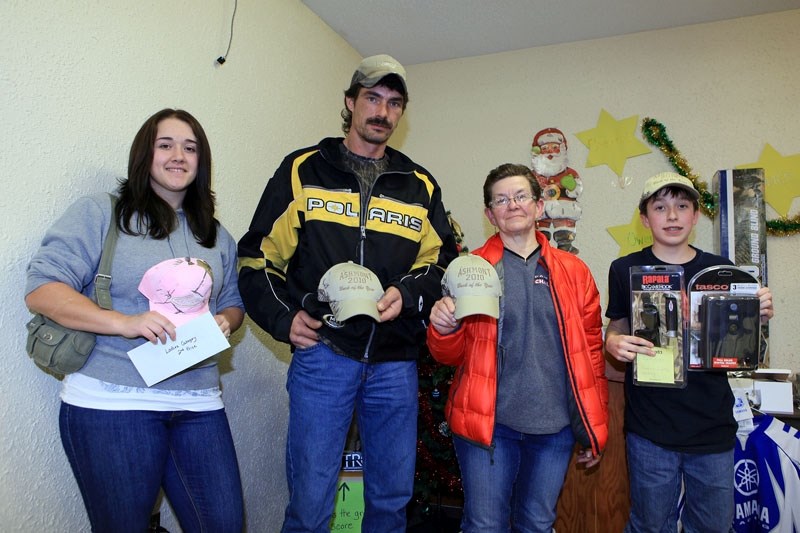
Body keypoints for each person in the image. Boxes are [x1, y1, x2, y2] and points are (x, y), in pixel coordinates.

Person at [237, 54, 457, 532]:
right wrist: (283, 320)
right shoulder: (302, 170)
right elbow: (257, 259)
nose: (382, 111)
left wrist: (406, 290)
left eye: (394, 103)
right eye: (373, 98)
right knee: (312, 501)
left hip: (395, 362)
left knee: (391, 500)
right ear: (350, 102)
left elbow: (442, 263)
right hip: (324, 356)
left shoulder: (420, 185)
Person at [25, 109, 245, 533]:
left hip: (199, 403)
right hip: (112, 405)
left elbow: (233, 302)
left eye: (190, 147)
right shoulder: (100, 213)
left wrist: (225, 321)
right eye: (166, 145)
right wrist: (122, 322)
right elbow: (42, 288)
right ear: (144, 155)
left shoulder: (215, 234)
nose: (178, 155)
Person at [427, 163, 608, 532]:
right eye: (501, 199)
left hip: (553, 430)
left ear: (538, 207)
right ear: (490, 213)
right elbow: (448, 356)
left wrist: (593, 427)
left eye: (521, 196)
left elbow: (591, 355)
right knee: (484, 525)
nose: (512, 205)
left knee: (537, 524)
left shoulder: (575, 272)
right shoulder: (469, 269)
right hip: (489, 427)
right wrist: (442, 328)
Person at [604, 172, 775, 533]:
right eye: (660, 207)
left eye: (682, 207)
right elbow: (616, 326)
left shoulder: (724, 271)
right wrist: (613, 342)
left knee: (712, 526)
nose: (671, 216)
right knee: (650, 525)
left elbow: (744, 341)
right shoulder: (624, 269)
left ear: (695, 216)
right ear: (644, 217)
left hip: (711, 426)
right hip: (650, 428)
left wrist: (755, 313)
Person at [530, 127, 583, 254]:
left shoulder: (569, 173)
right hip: (541, 209)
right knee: (540, 227)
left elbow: (577, 189)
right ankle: (540, 246)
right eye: (545, 149)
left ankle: (566, 244)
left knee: (564, 224)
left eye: (555, 147)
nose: (550, 152)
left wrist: (572, 186)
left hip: (564, 206)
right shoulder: (532, 176)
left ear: (562, 149)